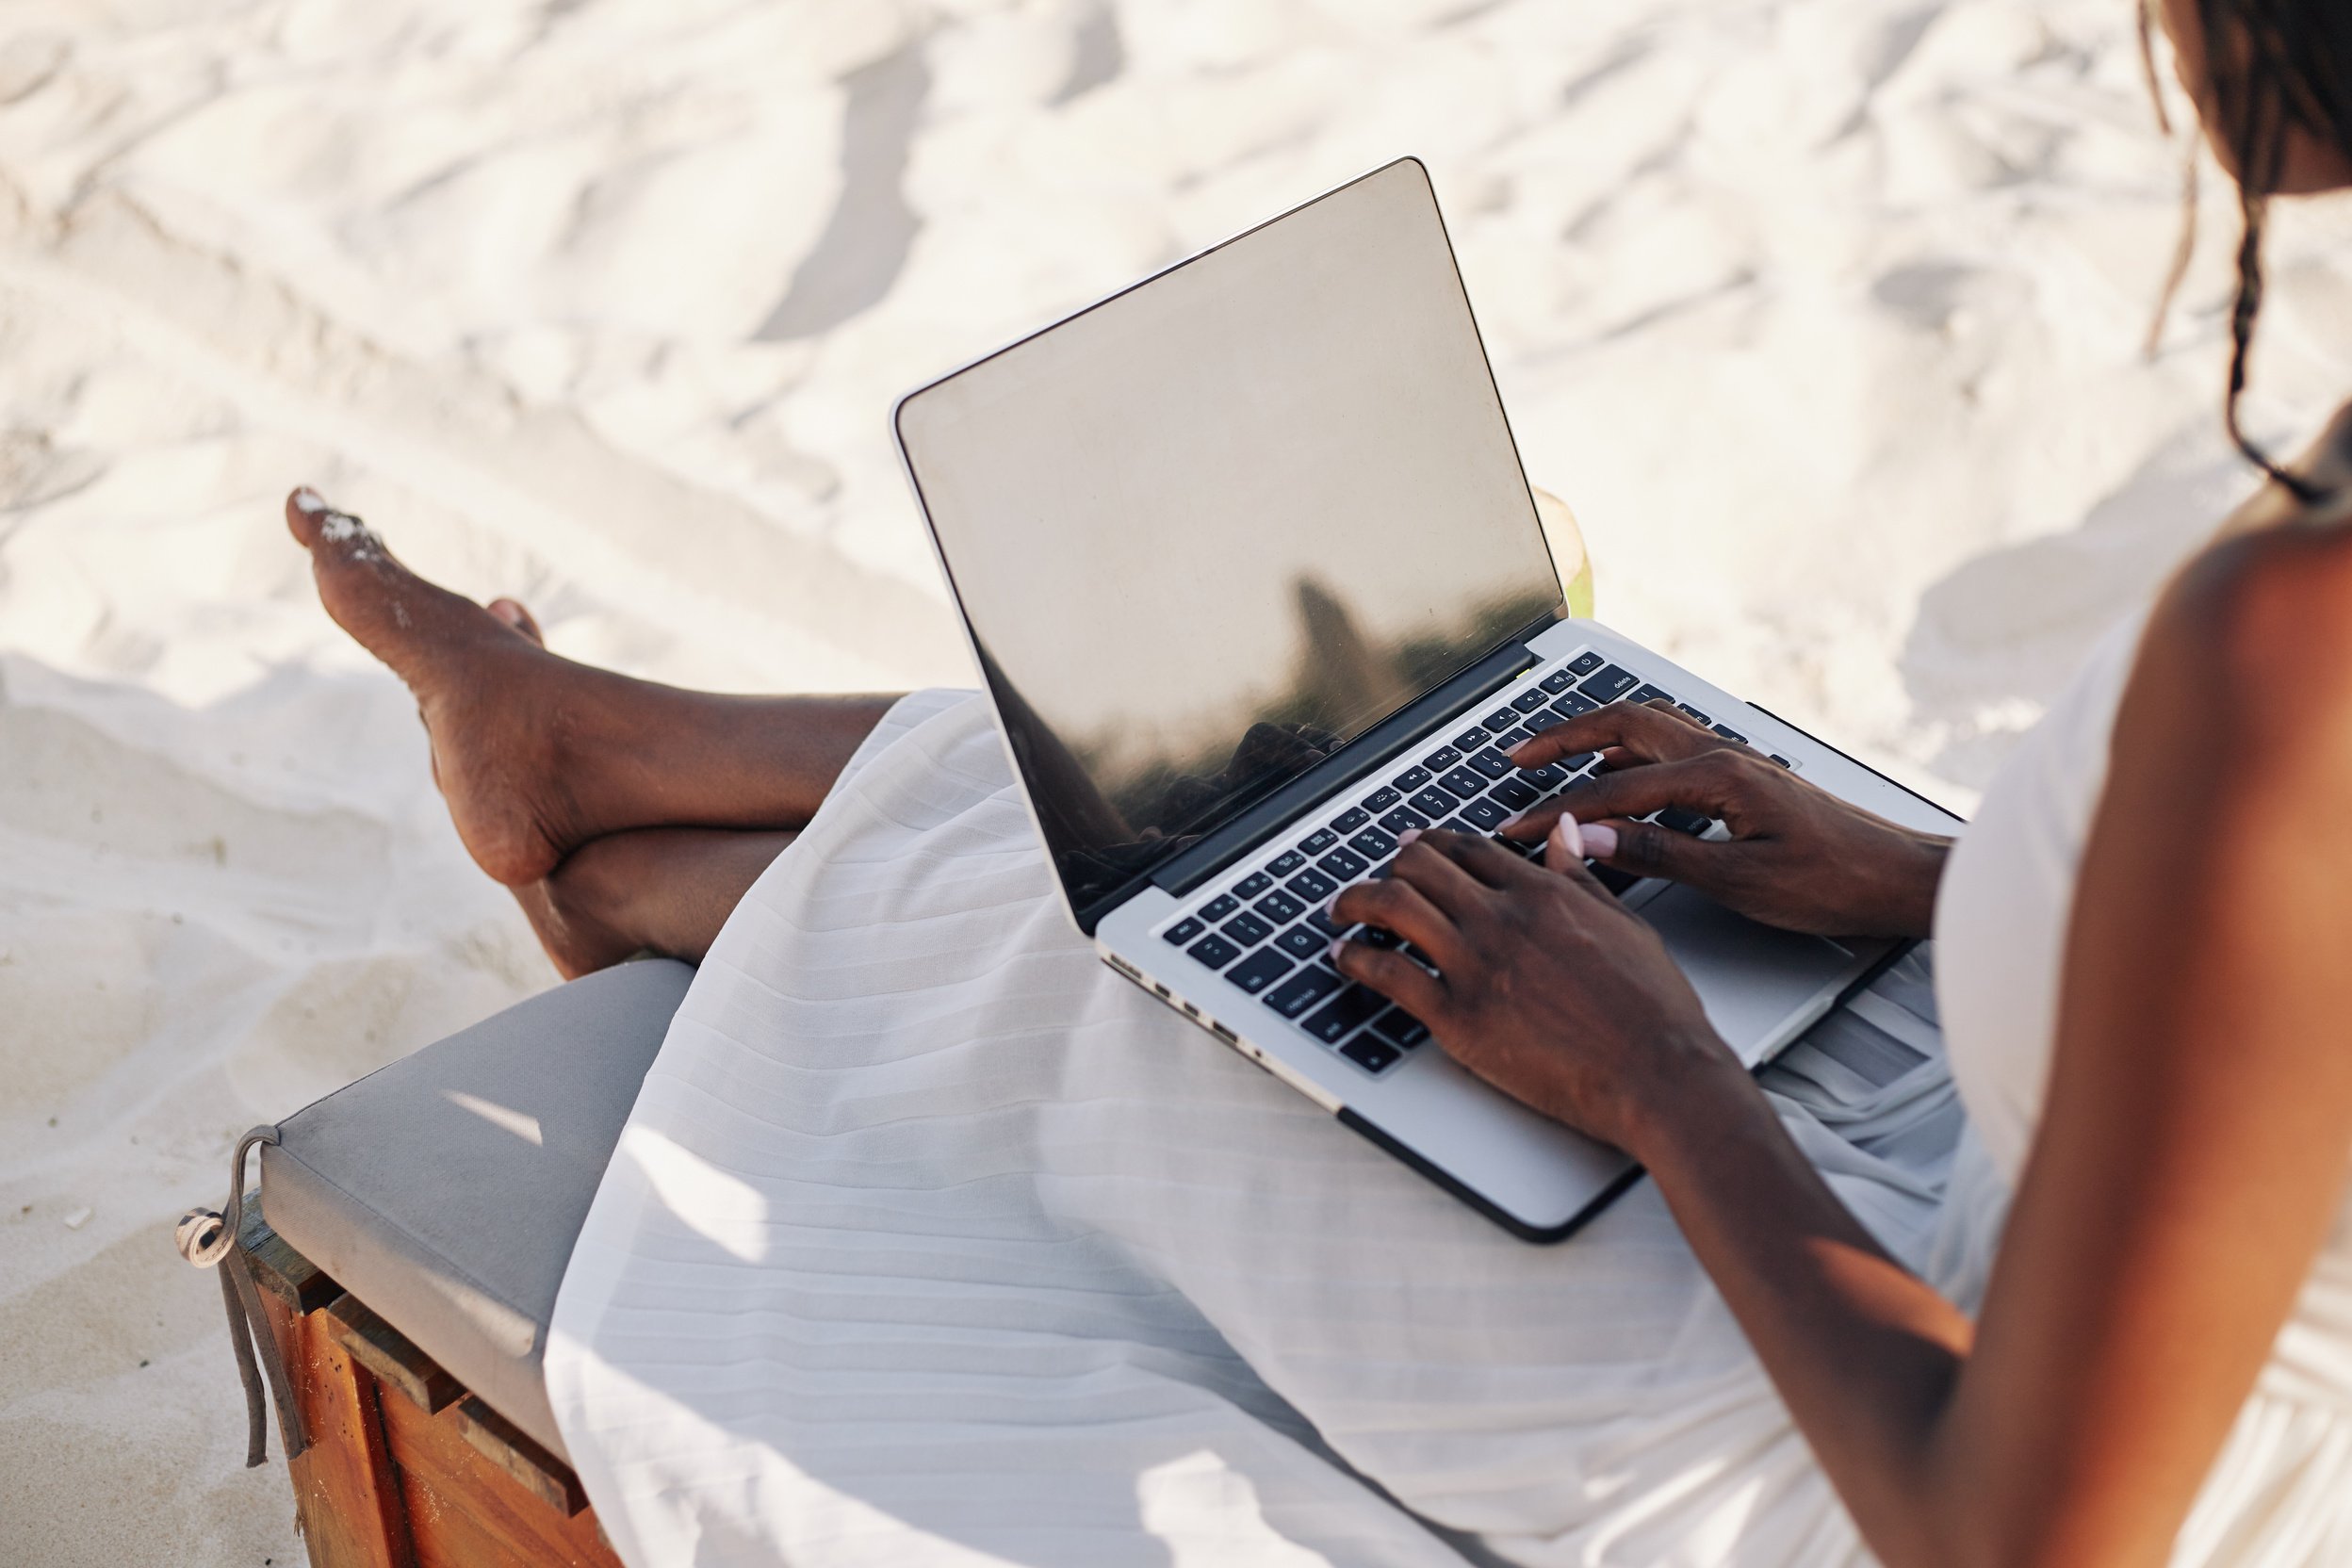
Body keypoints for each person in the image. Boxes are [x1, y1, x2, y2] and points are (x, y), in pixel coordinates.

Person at [281, 1, 2352, 1562]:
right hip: (2086, 1214)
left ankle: (617, 840)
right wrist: (1913, 875)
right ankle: (610, 798)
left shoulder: (2289, 656)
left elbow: (2031, 1535)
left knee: (1176, 966)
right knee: (1303, 847)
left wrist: (1660, 1077)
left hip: (1901, 1448)